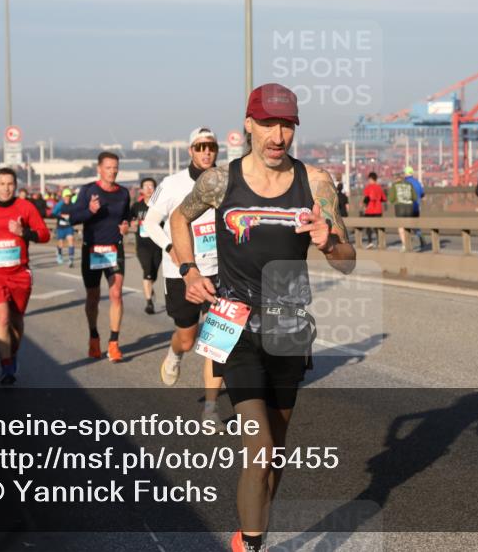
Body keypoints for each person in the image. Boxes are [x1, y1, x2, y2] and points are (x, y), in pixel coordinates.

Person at [169, 83, 356, 552]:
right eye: (269, 124)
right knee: (262, 448)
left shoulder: (315, 183)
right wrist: (190, 270)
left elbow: (348, 259)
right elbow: (178, 219)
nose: (278, 136)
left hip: (289, 332)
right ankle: (251, 546)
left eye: (287, 126)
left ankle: (249, 535)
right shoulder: (219, 180)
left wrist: (328, 240)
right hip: (235, 330)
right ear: (248, 124)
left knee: (277, 454)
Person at [144, 128, 223, 424]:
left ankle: (210, 410)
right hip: (182, 272)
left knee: (217, 340)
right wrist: (170, 246)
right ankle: (175, 353)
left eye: (211, 147)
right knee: (188, 340)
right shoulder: (172, 184)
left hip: (219, 270)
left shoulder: (226, 181)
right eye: (200, 147)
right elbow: (150, 222)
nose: (206, 152)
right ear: (191, 150)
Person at [0, 168, 50, 384]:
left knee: (17, 322)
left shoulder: (25, 207)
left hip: (20, 273)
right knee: (2, 317)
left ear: (15, 186)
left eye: (10, 184)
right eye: (1, 183)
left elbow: (45, 234)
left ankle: (11, 353)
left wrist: (23, 233)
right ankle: (7, 367)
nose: (6, 188)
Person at [69, 152, 131, 362]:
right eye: (108, 167)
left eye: (115, 167)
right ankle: (94, 336)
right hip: (92, 250)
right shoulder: (88, 190)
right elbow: (73, 218)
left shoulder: (123, 193)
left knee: (116, 294)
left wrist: (125, 226)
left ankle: (114, 343)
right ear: (99, 169)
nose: (113, 171)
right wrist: (90, 210)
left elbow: (125, 218)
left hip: (114, 248)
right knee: (93, 297)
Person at [130, 178, 162, 314]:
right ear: (141, 190)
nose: (149, 188)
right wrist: (132, 224)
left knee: (153, 274)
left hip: (158, 245)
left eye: (151, 186)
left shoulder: (160, 206)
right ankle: (149, 302)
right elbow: (129, 220)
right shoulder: (136, 207)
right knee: (147, 271)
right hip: (142, 245)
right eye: (146, 186)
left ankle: (149, 287)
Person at [388, 171, 417, 251]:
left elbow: (391, 198)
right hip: (410, 207)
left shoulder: (395, 185)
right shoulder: (409, 184)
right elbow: (414, 197)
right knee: (408, 226)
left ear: (396, 179)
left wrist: (394, 201)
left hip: (399, 207)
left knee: (401, 227)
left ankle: (405, 245)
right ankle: (409, 243)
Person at [361, 172, 386, 248]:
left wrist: (364, 206)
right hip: (378, 210)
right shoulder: (379, 188)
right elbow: (384, 199)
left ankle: (370, 242)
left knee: (368, 226)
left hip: (369, 210)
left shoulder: (368, 187)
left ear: (371, 179)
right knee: (378, 227)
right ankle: (379, 242)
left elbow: (366, 198)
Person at [404, 165, 427, 250]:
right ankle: (420, 237)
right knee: (415, 224)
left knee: (406, 226)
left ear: (406, 173)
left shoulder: (404, 183)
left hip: (406, 207)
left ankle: (408, 244)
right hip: (416, 207)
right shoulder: (417, 182)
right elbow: (423, 195)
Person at [51, 189, 76, 267]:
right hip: (61, 227)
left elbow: (76, 213)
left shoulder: (72, 205)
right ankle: (59, 254)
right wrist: (60, 217)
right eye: (66, 196)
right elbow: (53, 214)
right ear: (63, 197)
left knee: (71, 240)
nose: (68, 198)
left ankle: (71, 259)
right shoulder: (60, 204)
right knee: (61, 244)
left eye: (69, 196)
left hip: (69, 226)